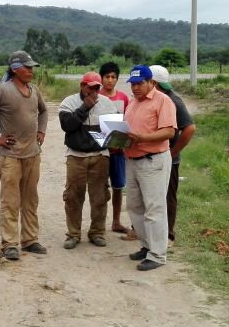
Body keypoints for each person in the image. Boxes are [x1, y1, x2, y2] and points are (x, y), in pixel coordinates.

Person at [0, 50, 49, 261]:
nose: (31, 71)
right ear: (16, 69)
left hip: (33, 155)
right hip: (11, 158)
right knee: (10, 201)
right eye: (28, 67)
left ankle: (30, 240)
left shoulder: (33, 90)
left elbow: (43, 111)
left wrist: (41, 130)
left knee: (31, 200)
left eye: (32, 67)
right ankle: (10, 244)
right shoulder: (2, 90)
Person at [123, 65, 177, 271]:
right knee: (135, 206)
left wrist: (142, 138)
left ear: (152, 83)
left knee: (154, 208)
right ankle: (146, 246)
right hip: (133, 159)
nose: (135, 88)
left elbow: (169, 132)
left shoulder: (163, 101)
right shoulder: (133, 103)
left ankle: (158, 254)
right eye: (133, 84)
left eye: (140, 84)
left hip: (152, 160)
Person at [58, 71, 118, 249]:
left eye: (96, 87)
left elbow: (114, 134)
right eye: (89, 87)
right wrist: (84, 107)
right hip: (75, 156)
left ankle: (97, 232)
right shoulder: (69, 103)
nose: (92, 90)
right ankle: (73, 234)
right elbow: (67, 126)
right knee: (73, 197)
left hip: (100, 157)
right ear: (82, 86)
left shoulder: (107, 104)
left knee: (100, 197)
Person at [149, 65, 197, 242]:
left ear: (153, 83)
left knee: (167, 195)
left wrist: (172, 152)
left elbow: (189, 128)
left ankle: (168, 233)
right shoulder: (154, 99)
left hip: (169, 159)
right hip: (153, 157)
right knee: (152, 195)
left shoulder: (172, 101)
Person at [98, 61, 132, 234]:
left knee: (118, 187)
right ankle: (99, 223)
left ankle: (116, 221)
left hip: (118, 151)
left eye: (113, 77)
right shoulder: (96, 96)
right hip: (100, 150)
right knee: (100, 188)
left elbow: (128, 120)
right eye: (107, 77)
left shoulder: (123, 98)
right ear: (101, 78)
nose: (110, 80)